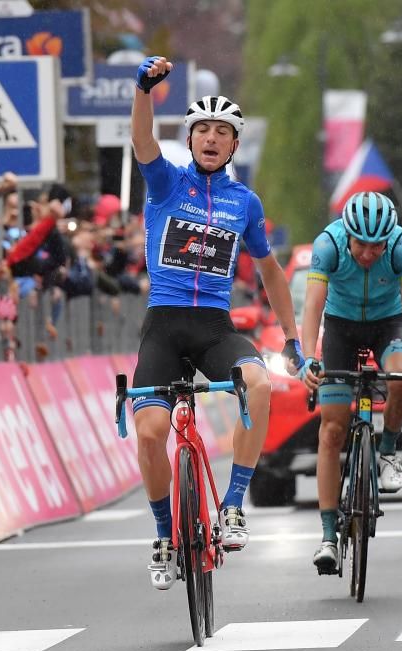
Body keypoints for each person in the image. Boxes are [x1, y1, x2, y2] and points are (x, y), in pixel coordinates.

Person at [131, 55, 303, 590]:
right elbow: (142, 143)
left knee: (259, 381)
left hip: (214, 329)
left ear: (233, 146)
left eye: (222, 132)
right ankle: (163, 533)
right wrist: (143, 92)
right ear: (190, 140)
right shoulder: (165, 185)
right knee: (152, 431)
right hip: (163, 326)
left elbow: (271, 273)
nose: (210, 138)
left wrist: (294, 339)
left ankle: (232, 506)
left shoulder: (244, 202)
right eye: (202, 129)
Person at [298, 191, 402, 574]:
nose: (370, 254)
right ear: (348, 235)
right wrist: (309, 356)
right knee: (331, 429)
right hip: (340, 328)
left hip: (387, 325)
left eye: (377, 246)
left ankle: (387, 450)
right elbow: (311, 308)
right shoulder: (328, 245)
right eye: (361, 245)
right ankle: (327, 536)